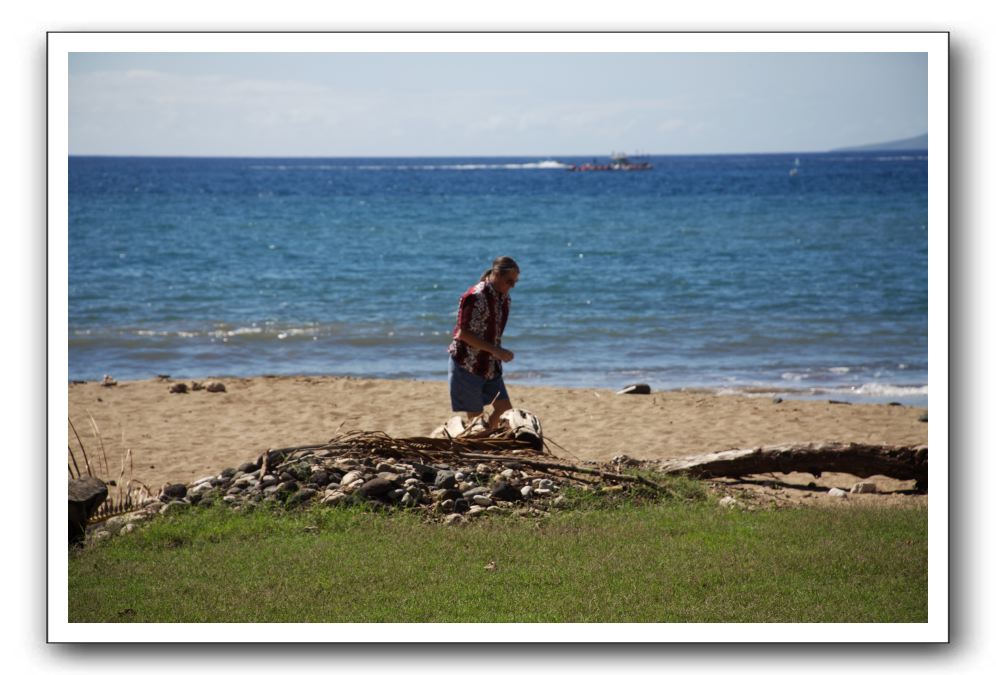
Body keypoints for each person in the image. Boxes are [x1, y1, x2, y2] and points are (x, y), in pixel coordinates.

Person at [448, 256, 520, 431]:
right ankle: (481, 440)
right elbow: (462, 333)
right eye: (509, 281)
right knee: (476, 422)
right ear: (496, 274)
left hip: (490, 366)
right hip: (467, 366)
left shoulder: (504, 298)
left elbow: (492, 332)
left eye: (515, 282)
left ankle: (486, 434)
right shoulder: (475, 297)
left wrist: (498, 351)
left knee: (506, 412)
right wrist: (497, 351)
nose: (512, 286)